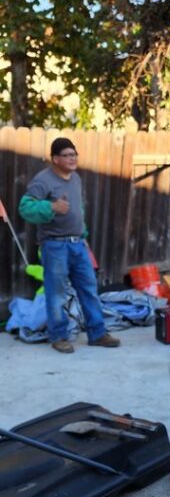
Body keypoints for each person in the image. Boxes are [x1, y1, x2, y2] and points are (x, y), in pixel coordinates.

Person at [18, 137, 120, 353]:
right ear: (55, 159)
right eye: (67, 155)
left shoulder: (75, 178)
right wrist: (50, 206)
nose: (73, 158)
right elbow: (25, 208)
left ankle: (97, 333)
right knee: (57, 294)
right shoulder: (43, 180)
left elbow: (78, 209)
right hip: (55, 247)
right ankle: (58, 336)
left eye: (74, 154)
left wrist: (82, 235)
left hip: (78, 245)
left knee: (89, 289)